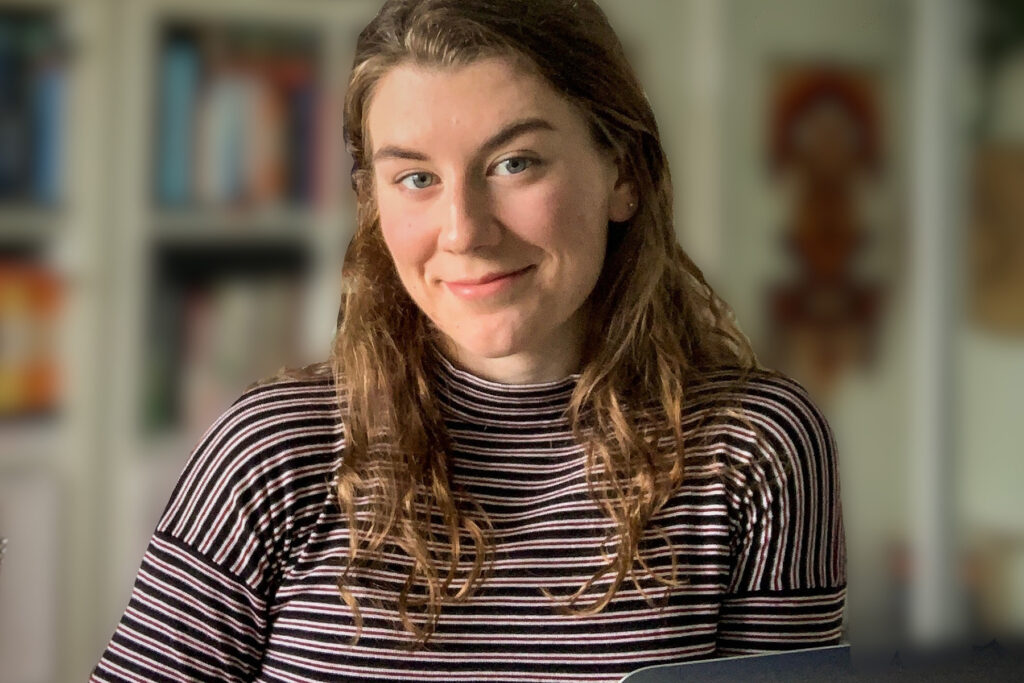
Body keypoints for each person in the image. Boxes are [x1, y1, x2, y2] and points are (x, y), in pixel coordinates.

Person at [91, 0, 846, 680]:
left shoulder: (755, 448)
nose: (465, 231)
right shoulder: (270, 449)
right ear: (373, 203)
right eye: (416, 179)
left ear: (624, 172)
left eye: (515, 163)